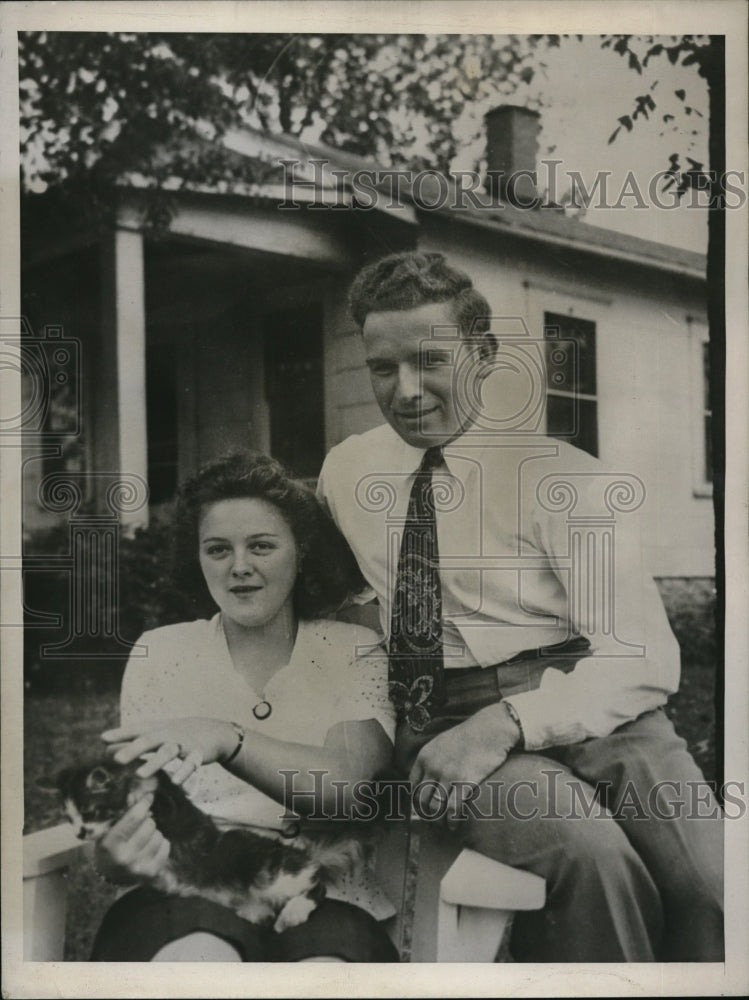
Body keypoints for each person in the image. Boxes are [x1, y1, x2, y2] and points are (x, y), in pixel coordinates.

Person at [318, 250, 724, 963]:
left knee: (716, 885)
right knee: (591, 861)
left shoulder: (561, 477)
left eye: (429, 361)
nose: (405, 390)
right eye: (382, 368)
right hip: (444, 714)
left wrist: (506, 723)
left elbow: (642, 656)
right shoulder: (347, 471)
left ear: (483, 355)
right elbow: (326, 591)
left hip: (598, 703)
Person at [91, 451, 399, 962]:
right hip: (183, 895)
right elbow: (130, 813)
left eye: (261, 546)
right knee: (198, 961)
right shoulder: (159, 653)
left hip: (320, 898)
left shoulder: (351, 649)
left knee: (326, 973)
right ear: (197, 559)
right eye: (217, 550)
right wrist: (116, 857)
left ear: (301, 551)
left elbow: (352, 787)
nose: (239, 568)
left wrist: (226, 737)